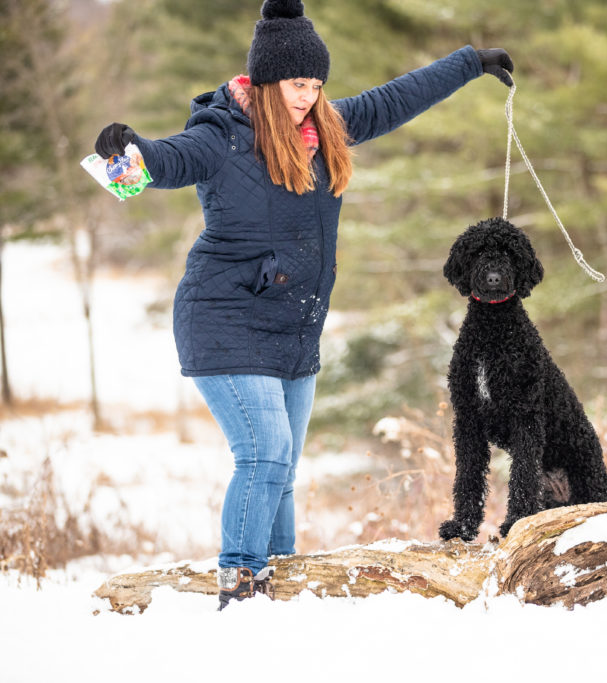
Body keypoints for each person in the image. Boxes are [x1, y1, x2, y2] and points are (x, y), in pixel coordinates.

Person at [93, 0, 514, 610]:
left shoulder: (325, 131)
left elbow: (397, 98)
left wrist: (469, 62)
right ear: (267, 82)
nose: (308, 96)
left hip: (293, 330)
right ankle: (240, 582)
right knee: (264, 452)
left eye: (317, 85)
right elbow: (167, 160)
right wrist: (124, 150)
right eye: (297, 84)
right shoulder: (222, 135)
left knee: (282, 471)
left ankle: (281, 585)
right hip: (225, 317)